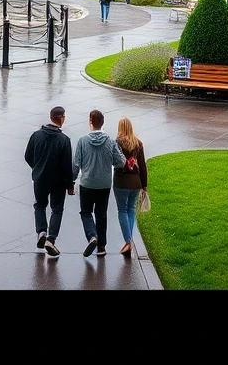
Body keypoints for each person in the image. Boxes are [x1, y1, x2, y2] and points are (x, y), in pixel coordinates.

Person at [23, 105, 75, 259]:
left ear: (50, 117)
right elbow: (67, 165)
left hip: (40, 178)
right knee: (57, 209)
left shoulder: (36, 135)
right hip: (58, 181)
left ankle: (41, 232)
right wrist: (69, 185)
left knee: (39, 205)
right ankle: (51, 239)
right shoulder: (64, 140)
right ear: (62, 118)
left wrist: (37, 168)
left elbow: (27, 156)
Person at [72, 109, 125, 257]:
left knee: (86, 212)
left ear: (90, 122)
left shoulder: (82, 141)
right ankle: (101, 247)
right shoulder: (110, 141)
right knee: (101, 214)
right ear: (103, 123)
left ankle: (92, 236)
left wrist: (71, 181)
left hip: (87, 183)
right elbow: (120, 162)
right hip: (104, 184)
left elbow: (76, 164)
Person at [113, 116, 148, 258]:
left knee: (122, 210)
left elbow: (115, 162)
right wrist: (144, 186)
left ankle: (128, 241)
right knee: (131, 209)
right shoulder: (138, 143)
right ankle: (130, 239)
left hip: (121, 182)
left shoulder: (116, 143)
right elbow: (143, 166)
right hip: (136, 182)